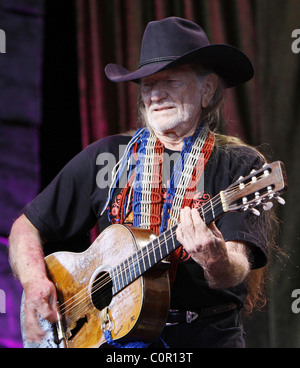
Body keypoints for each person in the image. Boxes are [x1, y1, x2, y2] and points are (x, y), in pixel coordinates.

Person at [9, 17, 272, 348]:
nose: (157, 95)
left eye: (172, 81)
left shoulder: (241, 166)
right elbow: (25, 228)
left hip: (204, 337)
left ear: (206, 90)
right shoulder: (107, 156)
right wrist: (35, 282)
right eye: (148, 85)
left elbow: (234, 268)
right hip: (112, 340)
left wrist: (215, 258)